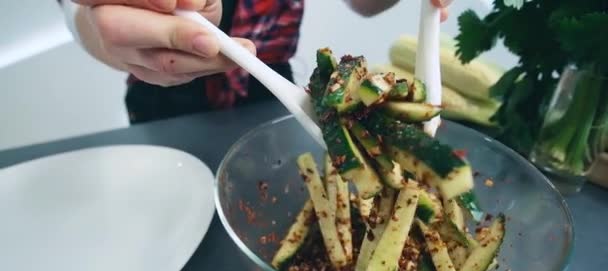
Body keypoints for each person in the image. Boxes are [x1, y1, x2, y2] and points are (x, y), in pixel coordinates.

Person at [58, 0, 452, 123]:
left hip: (274, 94)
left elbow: (364, 4)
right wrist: (109, 33)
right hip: (165, 102)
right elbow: (82, 15)